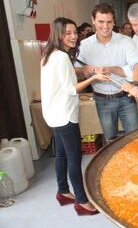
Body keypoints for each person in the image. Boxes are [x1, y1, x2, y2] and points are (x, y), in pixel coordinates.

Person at [41, 17, 108, 215]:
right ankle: (81, 201)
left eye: (74, 32)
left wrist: (84, 70)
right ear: (58, 34)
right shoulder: (61, 57)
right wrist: (95, 77)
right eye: (67, 33)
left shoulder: (49, 54)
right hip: (64, 114)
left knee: (61, 154)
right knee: (74, 157)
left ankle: (62, 191)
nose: (73, 36)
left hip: (53, 113)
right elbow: (71, 89)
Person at [75, 3, 138, 142]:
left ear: (114, 21)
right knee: (110, 140)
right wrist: (92, 70)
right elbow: (77, 70)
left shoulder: (125, 41)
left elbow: (137, 64)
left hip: (126, 98)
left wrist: (135, 84)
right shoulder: (85, 45)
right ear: (93, 20)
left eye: (109, 22)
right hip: (102, 100)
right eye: (101, 22)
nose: (105, 27)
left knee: (134, 138)